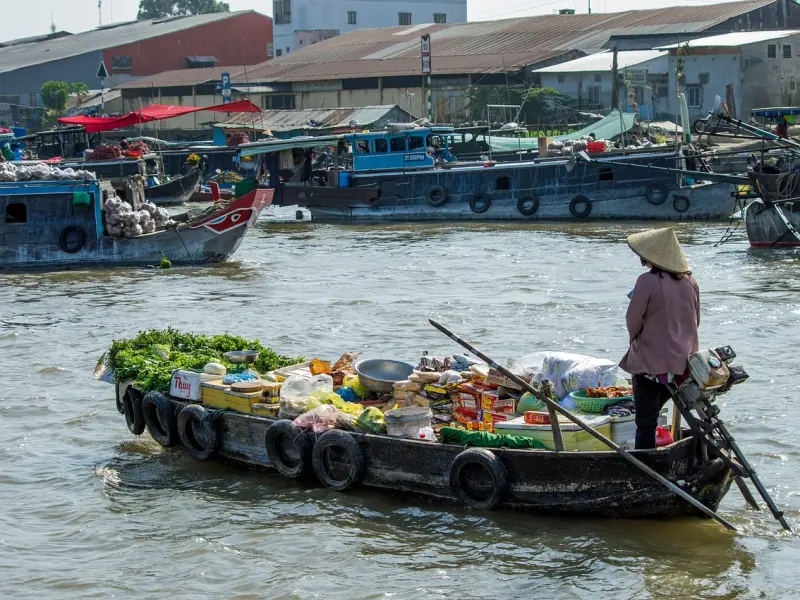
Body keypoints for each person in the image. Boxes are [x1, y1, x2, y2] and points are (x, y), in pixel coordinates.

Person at [619, 228, 700, 450]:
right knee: (673, 410)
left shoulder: (646, 281)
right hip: (683, 362)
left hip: (651, 364)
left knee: (645, 422)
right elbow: (696, 320)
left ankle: (646, 464)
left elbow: (632, 319)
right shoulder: (690, 281)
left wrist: (636, 340)